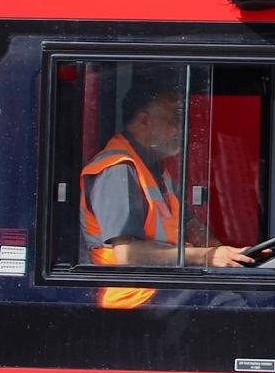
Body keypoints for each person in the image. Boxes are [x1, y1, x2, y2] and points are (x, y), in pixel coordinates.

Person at [81, 80, 249, 309]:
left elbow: (188, 224)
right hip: (139, 297)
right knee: (234, 309)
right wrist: (206, 256)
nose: (182, 130)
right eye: (174, 121)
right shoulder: (118, 170)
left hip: (168, 283)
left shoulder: (155, 168)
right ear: (144, 121)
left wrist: (229, 257)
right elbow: (128, 255)